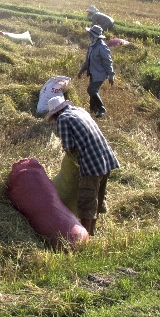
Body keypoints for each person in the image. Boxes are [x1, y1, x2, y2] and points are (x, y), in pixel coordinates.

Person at [45, 96, 120, 236]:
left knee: (86, 203)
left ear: (56, 114)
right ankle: (92, 232)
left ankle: (85, 239)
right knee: (96, 198)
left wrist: (70, 157)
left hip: (92, 165)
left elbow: (68, 146)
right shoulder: (80, 111)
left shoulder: (63, 119)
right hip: (106, 159)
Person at [77, 24, 114, 118]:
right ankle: (93, 111)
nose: (89, 36)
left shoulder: (102, 47)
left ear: (94, 36)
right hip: (93, 73)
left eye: (90, 34)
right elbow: (87, 60)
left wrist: (111, 75)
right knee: (92, 92)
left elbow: (108, 62)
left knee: (91, 90)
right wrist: (81, 70)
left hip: (100, 74)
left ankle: (102, 108)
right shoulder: (91, 45)